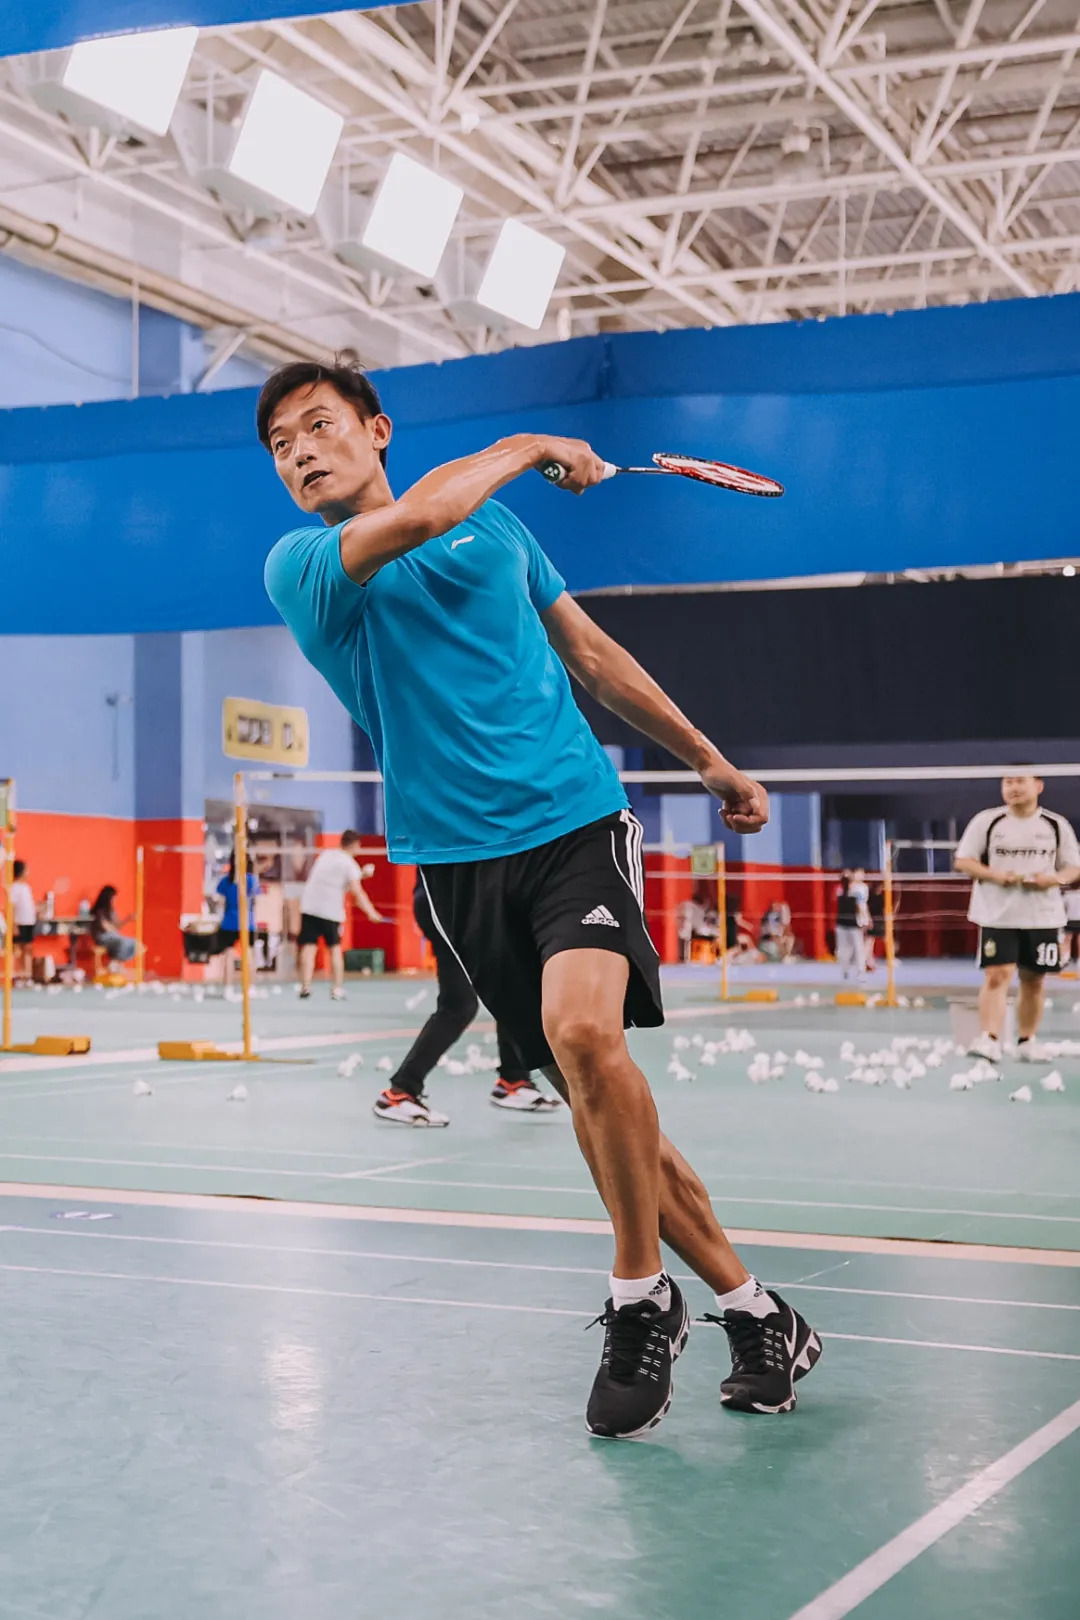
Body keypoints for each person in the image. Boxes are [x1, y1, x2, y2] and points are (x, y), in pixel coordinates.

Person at [260, 357, 821, 1440]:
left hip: (573, 821)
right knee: (596, 1098)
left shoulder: (501, 530)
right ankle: (758, 1313)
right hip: (456, 860)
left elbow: (593, 656)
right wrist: (533, 444)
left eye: (319, 426)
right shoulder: (306, 566)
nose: (301, 453)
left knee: (584, 1036)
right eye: (281, 445)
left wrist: (708, 759)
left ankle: (639, 1298)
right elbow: (424, 516)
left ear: (377, 428)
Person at [374, 875, 561, 1125]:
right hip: (449, 901)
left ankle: (513, 1081)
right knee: (459, 1005)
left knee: (510, 986)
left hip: (464, 899)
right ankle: (400, 1092)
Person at [955, 773, 1080, 1063]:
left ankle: (1027, 1041)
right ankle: (989, 1039)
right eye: (1007, 782)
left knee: (1034, 979)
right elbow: (964, 860)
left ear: (1038, 786)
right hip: (997, 914)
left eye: (1019, 782)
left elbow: (1073, 867)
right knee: (996, 974)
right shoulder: (987, 821)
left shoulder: (1055, 824)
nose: (1013, 788)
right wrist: (995, 875)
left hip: (1042, 916)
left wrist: (1054, 879)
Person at [298, 829, 385, 1000]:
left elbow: (336, 878)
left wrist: (361, 875)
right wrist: (371, 913)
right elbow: (357, 892)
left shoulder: (326, 855)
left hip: (309, 906)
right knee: (335, 949)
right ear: (355, 845)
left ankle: (305, 987)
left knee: (309, 947)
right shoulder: (349, 864)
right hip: (329, 911)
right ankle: (336, 989)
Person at [211, 853, 261, 987]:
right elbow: (256, 899)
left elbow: (220, 901)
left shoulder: (226, 881)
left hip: (229, 922)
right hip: (247, 922)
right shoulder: (251, 880)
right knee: (248, 954)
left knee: (229, 954)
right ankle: (249, 987)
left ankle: (228, 986)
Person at [89, 885, 137, 963]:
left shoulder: (111, 912)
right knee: (122, 943)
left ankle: (116, 961)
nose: (114, 901)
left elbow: (116, 927)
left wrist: (127, 919)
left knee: (133, 943)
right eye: (113, 899)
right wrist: (114, 927)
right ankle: (114, 962)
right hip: (104, 939)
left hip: (114, 937)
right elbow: (107, 928)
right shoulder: (99, 912)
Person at [834, 870, 868, 981]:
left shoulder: (855, 892)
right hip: (842, 925)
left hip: (852, 925)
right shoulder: (840, 891)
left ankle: (859, 972)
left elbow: (859, 907)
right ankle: (846, 971)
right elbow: (858, 907)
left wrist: (864, 920)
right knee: (844, 950)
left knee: (858, 950)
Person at [10, 859, 37, 982]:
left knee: (28, 948)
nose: (28, 872)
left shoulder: (26, 887)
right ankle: (16, 975)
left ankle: (27, 975)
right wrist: (13, 925)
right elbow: (11, 907)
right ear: (20, 871)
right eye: (26, 870)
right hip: (19, 922)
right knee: (17, 950)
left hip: (29, 922)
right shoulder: (14, 887)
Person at [758, 898, 795, 963]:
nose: (774, 907)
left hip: (779, 933)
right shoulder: (768, 916)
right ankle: (784, 956)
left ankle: (787, 955)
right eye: (773, 906)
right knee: (777, 938)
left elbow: (785, 924)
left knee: (790, 938)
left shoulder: (779, 915)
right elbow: (766, 928)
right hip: (771, 934)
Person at [1063, 879, 1080, 968]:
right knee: (1079, 940)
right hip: (1079, 919)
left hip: (1069, 919)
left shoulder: (1067, 895)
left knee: (1067, 940)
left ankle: (1066, 958)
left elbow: (1063, 907)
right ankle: (1079, 960)